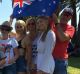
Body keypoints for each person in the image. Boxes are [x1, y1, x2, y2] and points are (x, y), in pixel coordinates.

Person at [51, 8, 75, 74]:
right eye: (63, 14)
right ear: (60, 15)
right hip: (49, 58)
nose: (64, 16)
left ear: (70, 18)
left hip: (60, 60)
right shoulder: (52, 25)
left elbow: (62, 38)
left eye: (67, 15)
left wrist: (56, 23)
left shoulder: (71, 28)